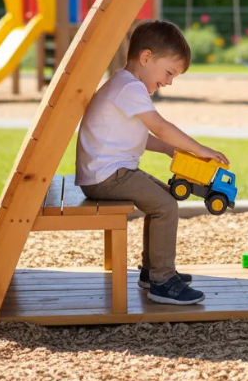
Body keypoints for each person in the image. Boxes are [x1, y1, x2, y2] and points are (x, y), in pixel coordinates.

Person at [76, 20, 229, 306]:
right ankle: (163, 282)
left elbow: (140, 137)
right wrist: (198, 147)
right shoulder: (130, 88)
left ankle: (151, 272)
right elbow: (159, 126)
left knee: (165, 196)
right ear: (146, 58)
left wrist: (171, 150)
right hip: (106, 176)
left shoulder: (124, 86)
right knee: (165, 205)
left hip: (107, 173)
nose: (169, 81)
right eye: (169, 72)